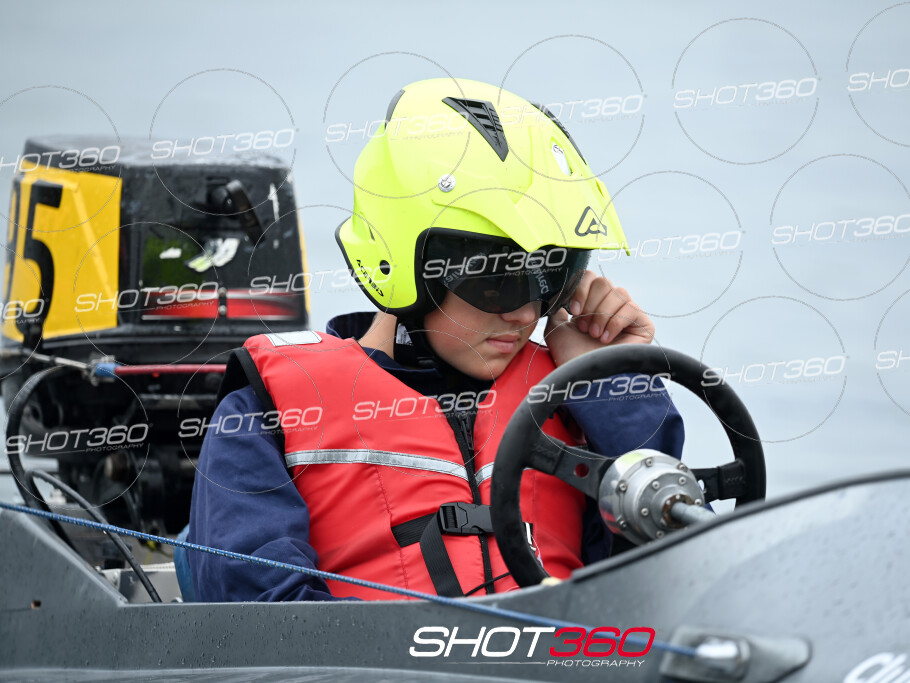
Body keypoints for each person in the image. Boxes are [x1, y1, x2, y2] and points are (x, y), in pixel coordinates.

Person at [186, 78, 684, 601]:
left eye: (552, 277)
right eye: (497, 279)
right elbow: (261, 616)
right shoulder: (265, 409)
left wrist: (610, 381)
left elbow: (673, 573)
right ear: (408, 264)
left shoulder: (575, 402)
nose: (526, 313)